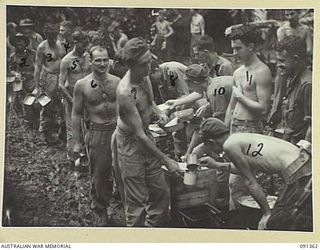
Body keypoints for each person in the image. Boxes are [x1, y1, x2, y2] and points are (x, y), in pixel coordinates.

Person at [114, 37, 182, 227]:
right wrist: (167, 160)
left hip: (146, 137)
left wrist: (159, 113)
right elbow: (138, 135)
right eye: (144, 64)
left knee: (161, 192)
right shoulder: (125, 91)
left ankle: (152, 232)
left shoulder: (144, 77)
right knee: (137, 202)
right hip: (131, 143)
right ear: (131, 64)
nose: (149, 67)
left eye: (150, 61)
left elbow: (151, 103)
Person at [198, 118, 312, 231]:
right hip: (304, 161)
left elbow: (250, 181)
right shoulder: (237, 137)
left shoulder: (229, 146)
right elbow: (242, 170)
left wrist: (266, 214)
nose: (212, 150)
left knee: (278, 221)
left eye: (209, 146)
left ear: (212, 142)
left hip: (298, 171)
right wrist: (215, 165)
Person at [224, 25, 273, 210]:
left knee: (244, 179)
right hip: (235, 127)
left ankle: (251, 219)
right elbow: (231, 105)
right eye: (233, 48)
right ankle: (235, 219)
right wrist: (224, 128)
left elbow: (263, 108)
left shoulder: (262, 71)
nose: (234, 52)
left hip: (251, 128)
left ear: (251, 46)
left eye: (238, 48)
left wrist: (241, 97)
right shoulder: (238, 72)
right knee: (233, 180)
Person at [72, 46, 121, 225]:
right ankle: (101, 208)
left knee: (122, 169)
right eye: (98, 60)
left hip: (118, 130)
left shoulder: (117, 81)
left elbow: (126, 107)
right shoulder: (82, 85)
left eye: (105, 59)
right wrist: (76, 142)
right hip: (97, 131)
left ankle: (120, 196)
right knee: (100, 174)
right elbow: (76, 114)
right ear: (91, 61)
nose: (102, 63)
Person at [268, 36, 311, 144]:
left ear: (296, 59)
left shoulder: (307, 85)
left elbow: (312, 126)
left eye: (281, 61)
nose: (278, 65)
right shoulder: (290, 79)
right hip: (287, 143)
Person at [59, 30, 91, 165]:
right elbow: (60, 85)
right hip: (72, 96)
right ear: (76, 43)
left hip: (88, 96)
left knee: (89, 126)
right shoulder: (67, 60)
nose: (85, 47)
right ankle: (73, 158)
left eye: (86, 44)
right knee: (73, 127)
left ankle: (87, 156)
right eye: (83, 44)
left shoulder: (88, 57)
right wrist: (72, 101)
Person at [33, 23, 65, 144]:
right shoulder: (42, 47)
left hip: (61, 76)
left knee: (62, 104)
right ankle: (47, 132)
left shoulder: (61, 44)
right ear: (46, 36)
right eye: (50, 37)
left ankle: (62, 131)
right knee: (47, 104)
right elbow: (37, 66)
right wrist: (36, 86)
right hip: (48, 76)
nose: (53, 39)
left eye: (54, 36)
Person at [8, 32, 38, 128]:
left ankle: (37, 120)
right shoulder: (13, 56)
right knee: (22, 101)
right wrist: (15, 73)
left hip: (32, 80)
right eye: (17, 43)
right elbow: (11, 69)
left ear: (25, 43)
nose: (19, 45)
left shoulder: (32, 54)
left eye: (21, 43)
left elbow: (38, 67)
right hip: (20, 81)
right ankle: (28, 122)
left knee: (34, 100)